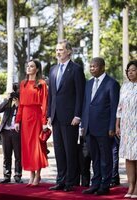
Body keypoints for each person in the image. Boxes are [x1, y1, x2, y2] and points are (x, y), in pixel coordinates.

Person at [47, 39, 86, 192]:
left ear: (68, 51)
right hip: (56, 117)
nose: (58, 52)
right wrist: (49, 114)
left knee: (70, 150)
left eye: (61, 50)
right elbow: (51, 95)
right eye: (56, 50)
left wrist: (78, 115)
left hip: (71, 118)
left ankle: (71, 181)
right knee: (59, 151)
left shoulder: (76, 69)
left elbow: (80, 94)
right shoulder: (53, 69)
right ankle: (60, 180)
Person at [81, 57, 120, 196]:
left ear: (103, 67)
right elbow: (86, 105)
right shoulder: (88, 83)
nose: (92, 69)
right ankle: (95, 184)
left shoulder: (112, 84)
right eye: (90, 66)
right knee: (94, 158)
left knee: (106, 158)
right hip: (89, 128)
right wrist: (83, 125)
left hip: (104, 128)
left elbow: (114, 107)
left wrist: (112, 127)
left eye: (94, 66)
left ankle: (105, 185)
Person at [15, 59, 48, 186]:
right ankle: (31, 174)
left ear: (37, 69)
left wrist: (44, 121)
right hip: (25, 118)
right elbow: (21, 105)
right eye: (27, 66)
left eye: (32, 66)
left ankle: (38, 175)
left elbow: (44, 103)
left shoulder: (41, 83)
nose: (29, 68)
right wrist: (17, 121)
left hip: (37, 117)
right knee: (27, 147)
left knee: (36, 146)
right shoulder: (23, 84)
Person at [116, 60, 137, 198]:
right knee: (129, 157)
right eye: (128, 70)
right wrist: (117, 125)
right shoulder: (124, 86)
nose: (130, 72)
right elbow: (119, 107)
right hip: (126, 126)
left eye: (134, 70)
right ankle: (130, 186)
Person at [0, 83, 22, 184]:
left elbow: (23, 114)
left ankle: (18, 176)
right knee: (6, 155)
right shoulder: (7, 101)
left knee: (18, 156)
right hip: (6, 132)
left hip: (16, 132)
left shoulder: (21, 103)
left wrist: (18, 104)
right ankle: (6, 176)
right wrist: (8, 99)